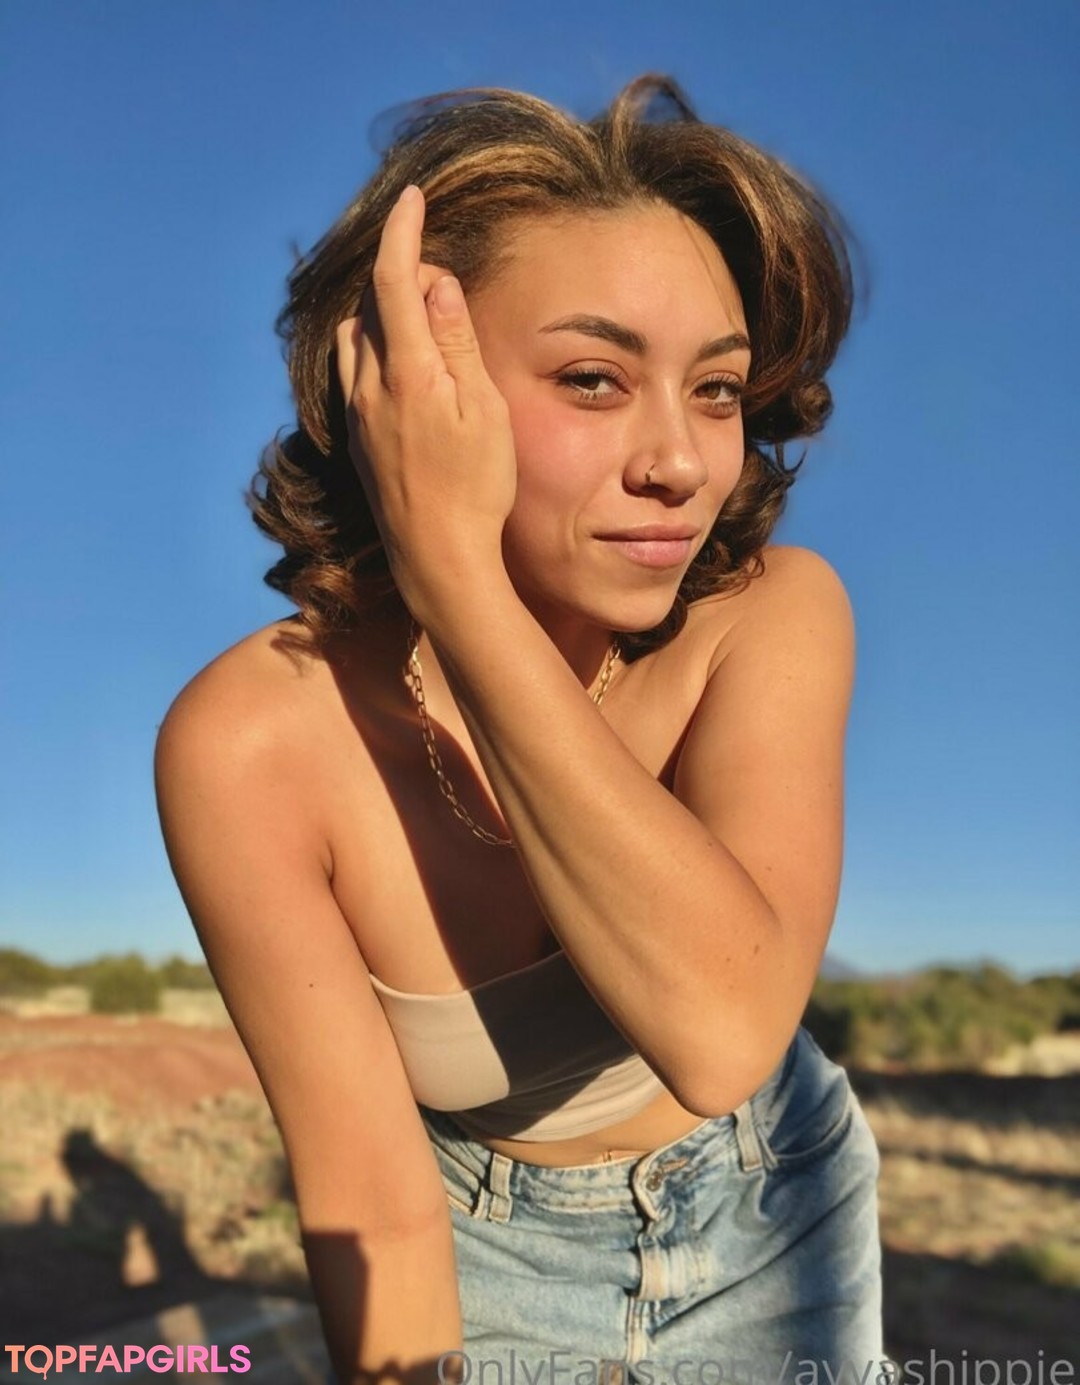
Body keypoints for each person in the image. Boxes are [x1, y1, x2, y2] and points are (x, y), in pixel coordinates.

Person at [155, 73, 887, 1383]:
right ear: (395, 388)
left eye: (717, 390)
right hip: (471, 1243)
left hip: (775, 1203)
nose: (681, 461)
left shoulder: (772, 616)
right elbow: (372, 1203)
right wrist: (445, 562)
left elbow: (723, 1031)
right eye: (595, 379)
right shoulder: (251, 744)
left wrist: (458, 585)